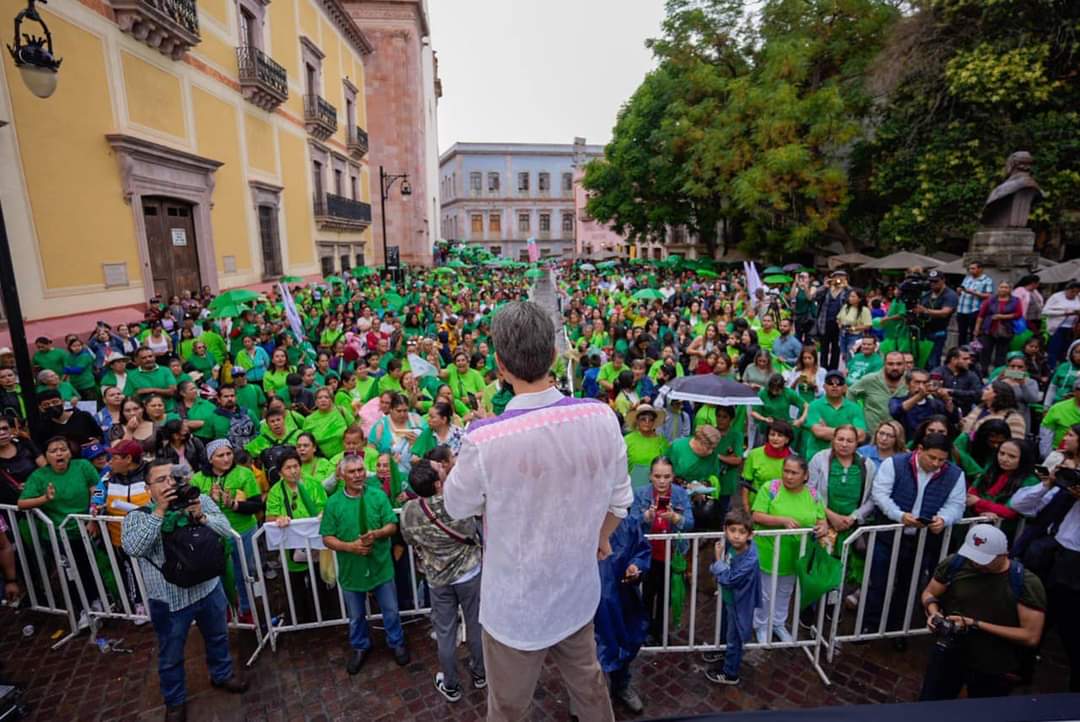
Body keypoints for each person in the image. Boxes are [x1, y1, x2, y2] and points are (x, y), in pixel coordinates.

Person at [443, 301, 632, 722]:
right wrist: (601, 537)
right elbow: (621, 503)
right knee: (589, 689)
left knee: (510, 709)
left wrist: (467, 452)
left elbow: (456, 506)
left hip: (516, 607)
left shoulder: (485, 439)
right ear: (553, 355)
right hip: (576, 590)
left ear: (499, 366)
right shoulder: (601, 416)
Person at [121, 461, 249, 721]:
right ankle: (175, 702)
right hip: (169, 600)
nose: (169, 483)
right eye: (161, 480)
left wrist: (202, 516)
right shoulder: (138, 516)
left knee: (218, 637)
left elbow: (227, 531)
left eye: (173, 478)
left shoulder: (196, 499)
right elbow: (134, 548)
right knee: (171, 655)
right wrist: (159, 512)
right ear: (148, 489)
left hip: (209, 588)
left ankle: (222, 675)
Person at [918, 524, 1046, 700]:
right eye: (973, 557)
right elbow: (930, 593)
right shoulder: (956, 563)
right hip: (950, 653)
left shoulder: (1026, 583)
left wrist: (975, 624)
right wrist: (933, 612)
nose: (977, 563)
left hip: (993, 664)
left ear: (1003, 554)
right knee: (931, 704)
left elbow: (1030, 636)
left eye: (984, 559)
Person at [864, 433, 967, 635]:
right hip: (887, 537)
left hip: (921, 541)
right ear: (920, 450)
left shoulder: (956, 474)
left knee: (909, 587)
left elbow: (956, 505)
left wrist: (944, 519)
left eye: (942, 460)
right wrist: (899, 515)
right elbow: (880, 494)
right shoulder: (894, 463)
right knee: (878, 583)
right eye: (932, 458)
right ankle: (869, 625)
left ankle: (896, 630)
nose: (937, 463)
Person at [400, 459, 485, 703]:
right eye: (441, 469)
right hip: (469, 573)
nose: (444, 468)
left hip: (437, 577)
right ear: (438, 483)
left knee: (445, 631)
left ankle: (451, 684)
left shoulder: (410, 511)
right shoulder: (458, 502)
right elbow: (473, 531)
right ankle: (480, 673)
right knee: (475, 625)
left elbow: (408, 538)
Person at [320, 453, 409, 674]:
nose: (358, 475)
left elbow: (392, 525)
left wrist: (378, 533)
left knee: (390, 610)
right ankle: (360, 646)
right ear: (341, 475)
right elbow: (327, 537)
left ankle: (396, 642)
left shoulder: (378, 496)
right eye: (352, 472)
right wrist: (349, 547)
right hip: (352, 568)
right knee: (356, 615)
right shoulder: (333, 503)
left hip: (380, 564)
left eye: (360, 470)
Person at [1010, 464, 1080, 692]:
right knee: (1039, 610)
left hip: (1074, 564)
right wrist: (1050, 483)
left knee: (1070, 626)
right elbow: (1021, 505)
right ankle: (1022, 669)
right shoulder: (1065, 484)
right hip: (1053, 554)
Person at [750, 455, 827, 643]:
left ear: (805, 476)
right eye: (786, 471)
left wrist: (822, 527)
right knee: (766, 592)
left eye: (794, 473)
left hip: (796, 555)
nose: (789, 476)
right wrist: (781, 521)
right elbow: (756, 516)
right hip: (769, 552)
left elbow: (821, 519)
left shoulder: (813, 495)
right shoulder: (771, 488)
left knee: (786, 591)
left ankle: (778, 623)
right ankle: (761, 624)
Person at [190, 439, 263, 625]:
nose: (226, 459)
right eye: (220, 455)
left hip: (242, 531)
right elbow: (193, 507)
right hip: (213, 534)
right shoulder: (198, 479)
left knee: (243, 572)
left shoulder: (244, 473)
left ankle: (246, 609)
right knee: (217, 573)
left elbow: (256, 505)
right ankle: (225, 608)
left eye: (229, 454)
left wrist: (233, 504)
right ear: (210, 459)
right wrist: (212, 502)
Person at [264, 446, 328, 624]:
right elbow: (269, 517)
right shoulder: (276, 491)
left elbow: (324, 506)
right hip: (291, 549)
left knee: (320, 582)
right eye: (288, 468)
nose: (293, 471)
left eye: (296, 466)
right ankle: (302, 619)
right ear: (280, 472)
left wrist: (322, 514)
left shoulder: (312, 484)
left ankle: (325, 616)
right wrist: (279, 519)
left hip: (315, 544)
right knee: (296, 586)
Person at [704, 510, 761, 686]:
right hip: (730, 599)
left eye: (742, 532)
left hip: (740, 603)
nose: (736, 536)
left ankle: (730, 673)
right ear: (725, 530)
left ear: (750, 535)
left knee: (735, 637)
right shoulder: (730, 546)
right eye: (732, 530)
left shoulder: (750, 559)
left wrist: (717, 561)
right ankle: (723, 650)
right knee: (726, 630)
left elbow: (729, 580)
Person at [803, 370, 867, 459]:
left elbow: (861, 436)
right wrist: (849, 433)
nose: (834, 386)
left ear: (845, 387)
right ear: (824, 386)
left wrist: (826, 430)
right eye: (830, 383)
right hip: (817, 456)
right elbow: (818, 432)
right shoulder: (814, 405)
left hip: (844, 458)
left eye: (839, 383)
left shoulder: (855, 408)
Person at [847, 351, 907, 435]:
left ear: (905, 365)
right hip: (872, 435)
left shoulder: (911, 381)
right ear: (884, 364)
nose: (895, 368)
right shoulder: (870, 380)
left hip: (901, 436)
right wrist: (857, 416)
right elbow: (851, 393)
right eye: (890, 364)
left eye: (899, 364)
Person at [890, 368, 956, 441]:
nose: (921, 386)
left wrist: (947, 400)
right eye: (917, 382)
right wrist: (919, 396)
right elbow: (896, 412)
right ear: (907, 384)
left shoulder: (936, 404)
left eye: (924, 383)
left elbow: (953, 420)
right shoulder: (897, 401)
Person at [914, 270, 958, 370]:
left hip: (938, 331)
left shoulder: (950, 295)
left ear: (943, 280)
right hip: (923, 330)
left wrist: (925, 310)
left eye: (936, 281)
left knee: (933, 360)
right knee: (922, 358)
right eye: (931, 281)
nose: (933, 284)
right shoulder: (927, 294)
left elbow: (945, 312)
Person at [30, 389, 101, 449]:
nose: (52, 406)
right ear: (41, 408)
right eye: (46, 404)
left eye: (55, 402)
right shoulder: (42, 427)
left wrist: (97, 441)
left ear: (62, 402)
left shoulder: (83, 416)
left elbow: (100, 435)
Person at [975, 280, 1022, 371]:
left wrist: (1003, 316)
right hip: (989, 330)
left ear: (1010, 289)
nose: (1003, 289)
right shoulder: (990, 300)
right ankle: (983, 372)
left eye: (1006, 287)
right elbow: (981, 315)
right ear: (998, 288)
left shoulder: (1015, 301)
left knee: (1001, 354)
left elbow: (1018, 314)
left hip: (1006, 330)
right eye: (1001, 287)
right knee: (985, 352)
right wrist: (977, 329)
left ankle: (997, 373)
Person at [961, 380, 1027, 442]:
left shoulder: (1013, 418)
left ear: (997, 394)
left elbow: (1015, 443)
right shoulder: (979, 408)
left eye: (987, 389)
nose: (983, 391)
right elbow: (965, 426)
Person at [623, 404, 669, 490]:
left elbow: (666, 464)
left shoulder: (661, 441)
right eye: (643, 419)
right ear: (637, 421)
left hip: (657, 486)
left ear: (654, 422)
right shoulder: (627, 440)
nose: (647, 422)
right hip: (633, 485)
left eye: (650, 420)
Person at [813, 270, 849, 370]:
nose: (839, 279)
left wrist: (846, 286)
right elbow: (815, 297)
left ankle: (833, 369)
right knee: (824, 347)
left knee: (836, 348)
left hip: (839, 324)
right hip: (825, 322)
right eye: (837, 276)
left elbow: (853, 298)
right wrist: (824, 286)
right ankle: (823, 369)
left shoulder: (846, 290)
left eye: (841, 276)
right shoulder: (827, 288)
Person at [932, 346, 982, 416]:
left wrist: (952, 392)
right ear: (953, 359)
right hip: (941, 413)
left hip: (965, 414)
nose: (969, 362)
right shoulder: (938, 372)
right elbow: (934, 391)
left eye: (969, 359)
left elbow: (978, 394)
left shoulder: (972, 375)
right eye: (965, 359)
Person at [956, 262, 994, 346]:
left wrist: (973, 292)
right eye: (969, 268)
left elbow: (989, 296)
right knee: (961, 333)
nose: (970, 270)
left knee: (974, 334)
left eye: (973, 268)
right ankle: (961, 352)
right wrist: (959, 291)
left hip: (975, 310)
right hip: (961, 309)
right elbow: (962, 290)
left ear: (980, 269)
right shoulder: (967, 278)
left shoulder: (987, 280)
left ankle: (972, 353)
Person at [1043, 280, 1080, 368]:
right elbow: (1045, 311)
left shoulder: (1078, 297)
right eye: (1072, 291)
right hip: (1058, 327)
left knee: (1067, 349)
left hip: (1072, 328)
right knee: (1054, 349)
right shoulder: (1056, 297)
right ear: (1066, 290)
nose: (1074, 294)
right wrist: (1064, 313)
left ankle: (1064, 366)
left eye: (1077, 292)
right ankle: (1051, 367)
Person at [1042, 379, 1080, 455]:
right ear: (1074, 391)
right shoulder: (1058, 408)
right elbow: (1046, 434)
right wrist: (1048, 456)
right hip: (1059, 453)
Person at [837, 289, 872, 363]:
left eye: (853, 296)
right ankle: (847, 370)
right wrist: (839, 324)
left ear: (859, 298)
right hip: (843, 334)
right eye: (850, 296)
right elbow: (838, 318)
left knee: (851, 354)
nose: (850, 298)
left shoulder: (864, 310)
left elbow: (868, 325)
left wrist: (854, 328)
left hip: (855, 335)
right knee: (844, 354)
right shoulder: (846, 307)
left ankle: (851, 371)